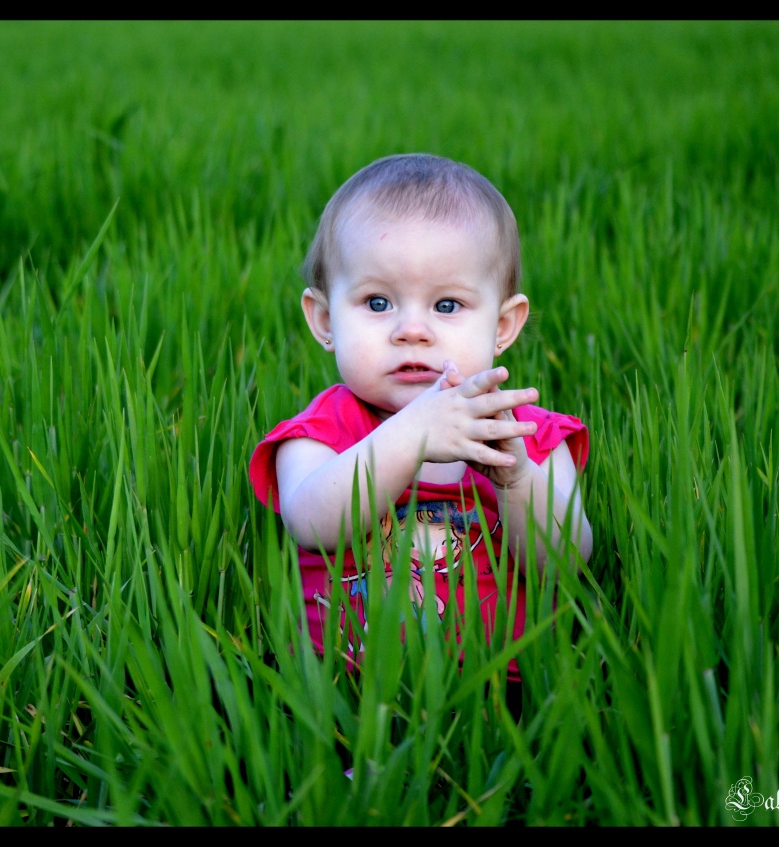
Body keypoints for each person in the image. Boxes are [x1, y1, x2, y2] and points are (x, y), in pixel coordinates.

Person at [249, 153, 592, 688]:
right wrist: (411, 434)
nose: (413, 330)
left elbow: (565, 564)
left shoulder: (527, 431)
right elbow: (311, 523)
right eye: (378, 302)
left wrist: (520, 481)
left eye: (448, 306)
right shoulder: (322, 430)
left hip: (505, 687)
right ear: (324, 319)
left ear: (502, 325)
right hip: (346, 689)